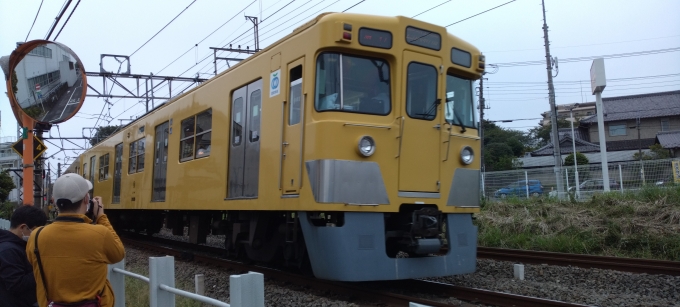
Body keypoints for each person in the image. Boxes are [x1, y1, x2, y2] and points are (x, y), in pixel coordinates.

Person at [26, 173, 125, 307]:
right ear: (86, 199)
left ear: (54, 201)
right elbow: (118, 254)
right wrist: (101, 216)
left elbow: (32, 260)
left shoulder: (36, 236)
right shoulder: (100, 234)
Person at [0, 205, 48, 307]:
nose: (36, 235)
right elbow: (16, 284)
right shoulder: (9, 250)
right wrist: (42, 268)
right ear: (23, 227)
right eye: (34, 231)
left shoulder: (18, 245)